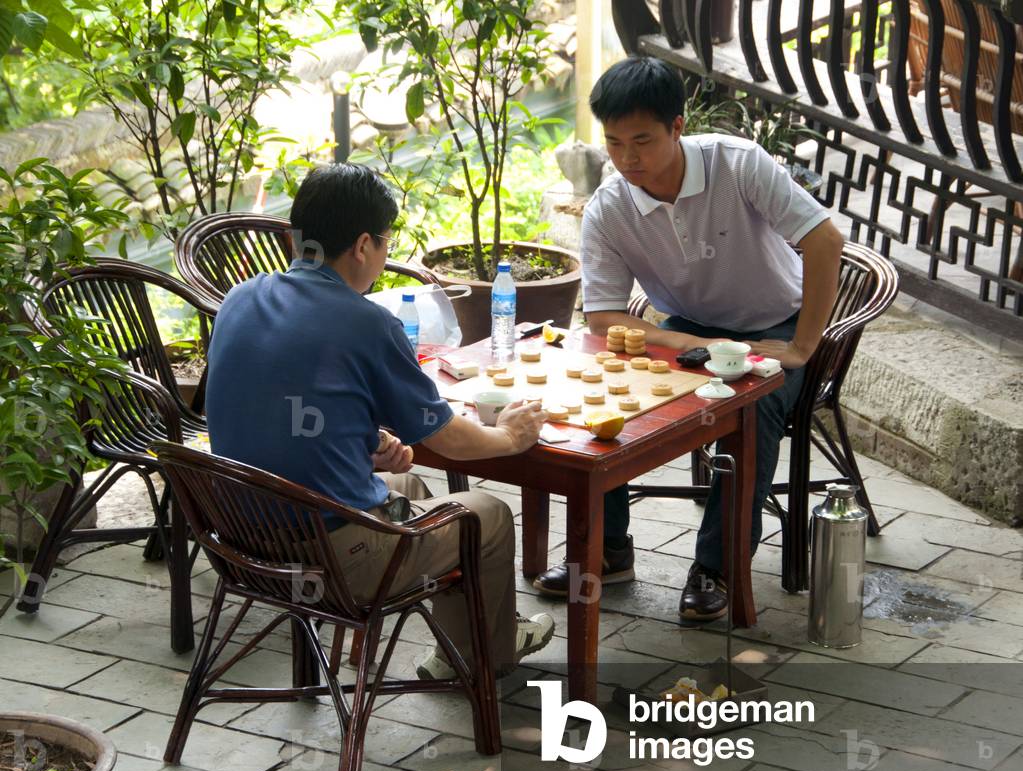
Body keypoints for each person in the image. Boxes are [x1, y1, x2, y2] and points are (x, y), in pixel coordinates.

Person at [205, 163, 555, 680]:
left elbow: (274, 401)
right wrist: (509, 435)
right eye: (387, 245)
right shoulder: (367, 321)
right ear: (364, 244)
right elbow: (450, 440)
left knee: (406, 481)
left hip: (238, 539)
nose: (385, 260)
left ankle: (463, 642)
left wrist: (367, 440)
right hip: (328, 557)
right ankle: (481, 654)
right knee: (487, 515)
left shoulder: (240, 297)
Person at [533, 57, 844, 621]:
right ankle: (609, 549)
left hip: (774, 326)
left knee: (753, 411)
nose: (628, 159)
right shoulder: (609, 205)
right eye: (614, 142)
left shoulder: (738, 164)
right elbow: (603, 315)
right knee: (604, 398)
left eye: (643, 141)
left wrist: (802, 346)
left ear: (678, 127)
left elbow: (825, 240)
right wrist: (684, 346)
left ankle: (717, 567)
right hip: (687, 330)